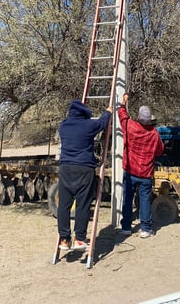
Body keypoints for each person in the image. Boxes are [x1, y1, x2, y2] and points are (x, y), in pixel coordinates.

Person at [57, 99, 113, 251]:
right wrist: (108, 111)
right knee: (83, 204)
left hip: (65, 168)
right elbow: (102, 123)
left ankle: (64, 239)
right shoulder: (88, 125)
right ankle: (79, 239)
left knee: (64, 205)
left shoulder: (63, 126)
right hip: (83, 169)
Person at [118, 92, 164, 238]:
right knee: (145, 200)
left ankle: (126, 226)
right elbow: (159, 151)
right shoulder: (154, 134)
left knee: (127, 198)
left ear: (138, 117)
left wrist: (124, 101)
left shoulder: (130, 127)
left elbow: (122, 114)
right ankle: (145, 228)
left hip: (130, 171)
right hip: (145, 173)